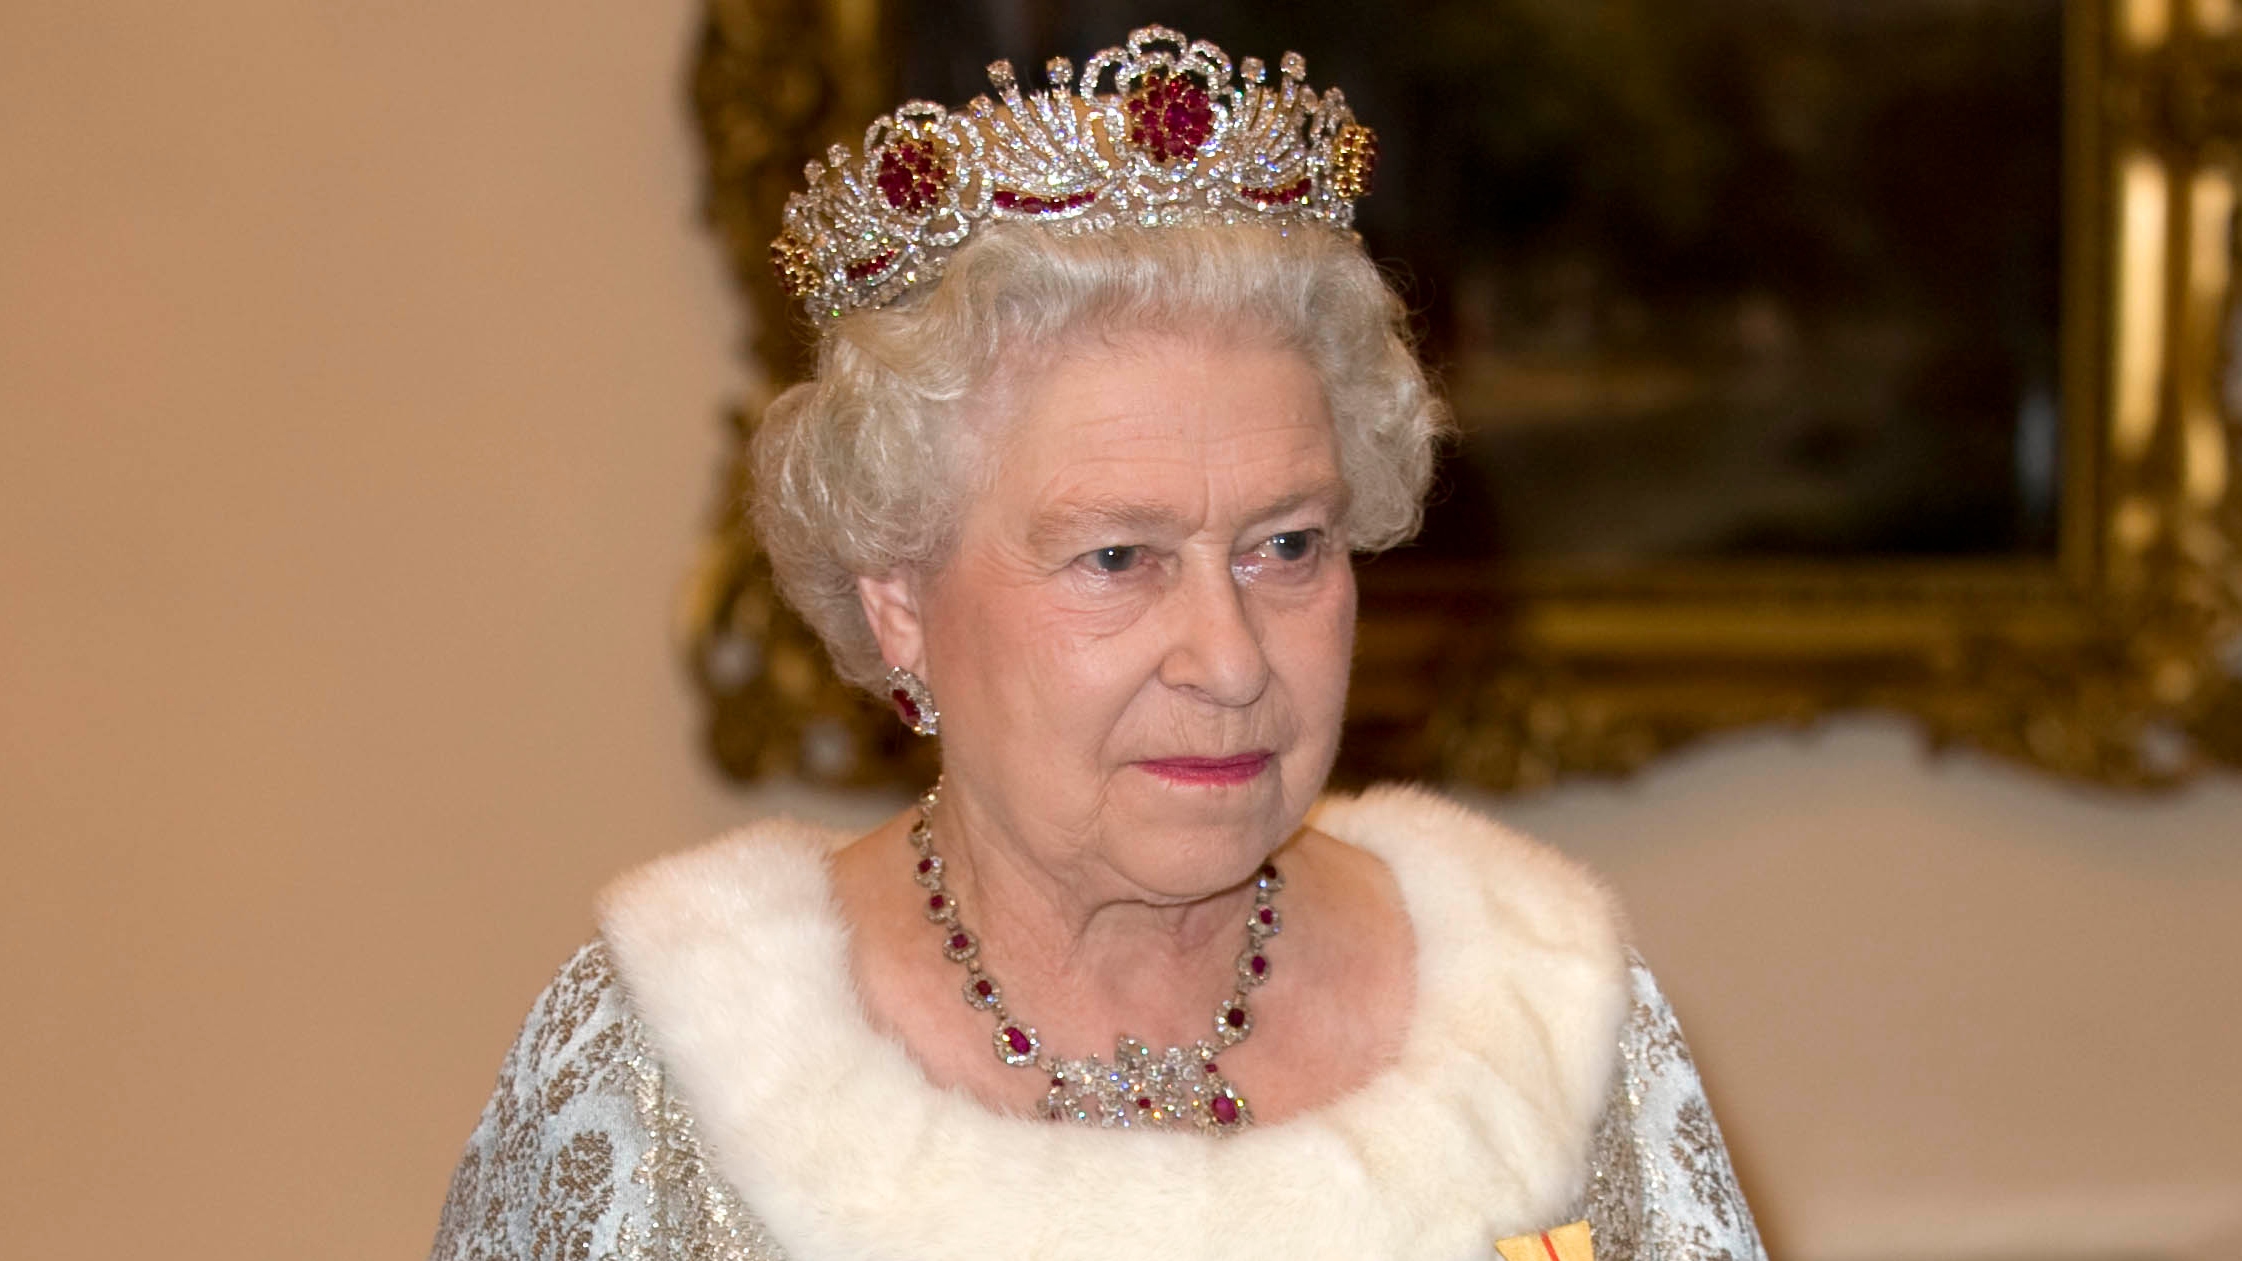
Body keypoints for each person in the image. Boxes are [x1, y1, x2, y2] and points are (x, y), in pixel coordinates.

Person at [432, 26, 1765, 1261]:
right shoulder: (671, 1066)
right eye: (1117, 558)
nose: (1231, 659)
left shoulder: (1550, 1034)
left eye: (1285, 545)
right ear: (897, 593)